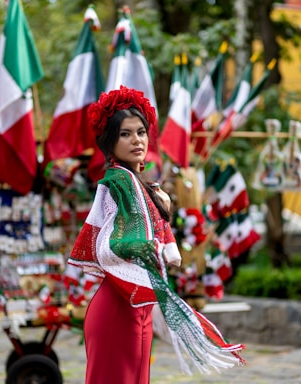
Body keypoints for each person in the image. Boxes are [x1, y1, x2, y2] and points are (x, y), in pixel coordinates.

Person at [68, 85, 245, 384]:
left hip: (137, 305)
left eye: (140, 131)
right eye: (125, 133)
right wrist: (146, 245)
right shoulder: (119, 183)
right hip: (117, 308)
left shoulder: (140, 183)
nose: (136, 140)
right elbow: (116, 241)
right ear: (110, 142)